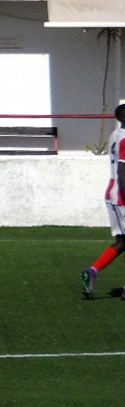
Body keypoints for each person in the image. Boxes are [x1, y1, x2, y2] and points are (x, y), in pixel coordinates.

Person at [81, 103, 125, 300]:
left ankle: (92, 272)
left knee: (122, 241)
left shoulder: (115, 135)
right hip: (122, 194)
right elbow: (123, 171)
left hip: (112, 191)